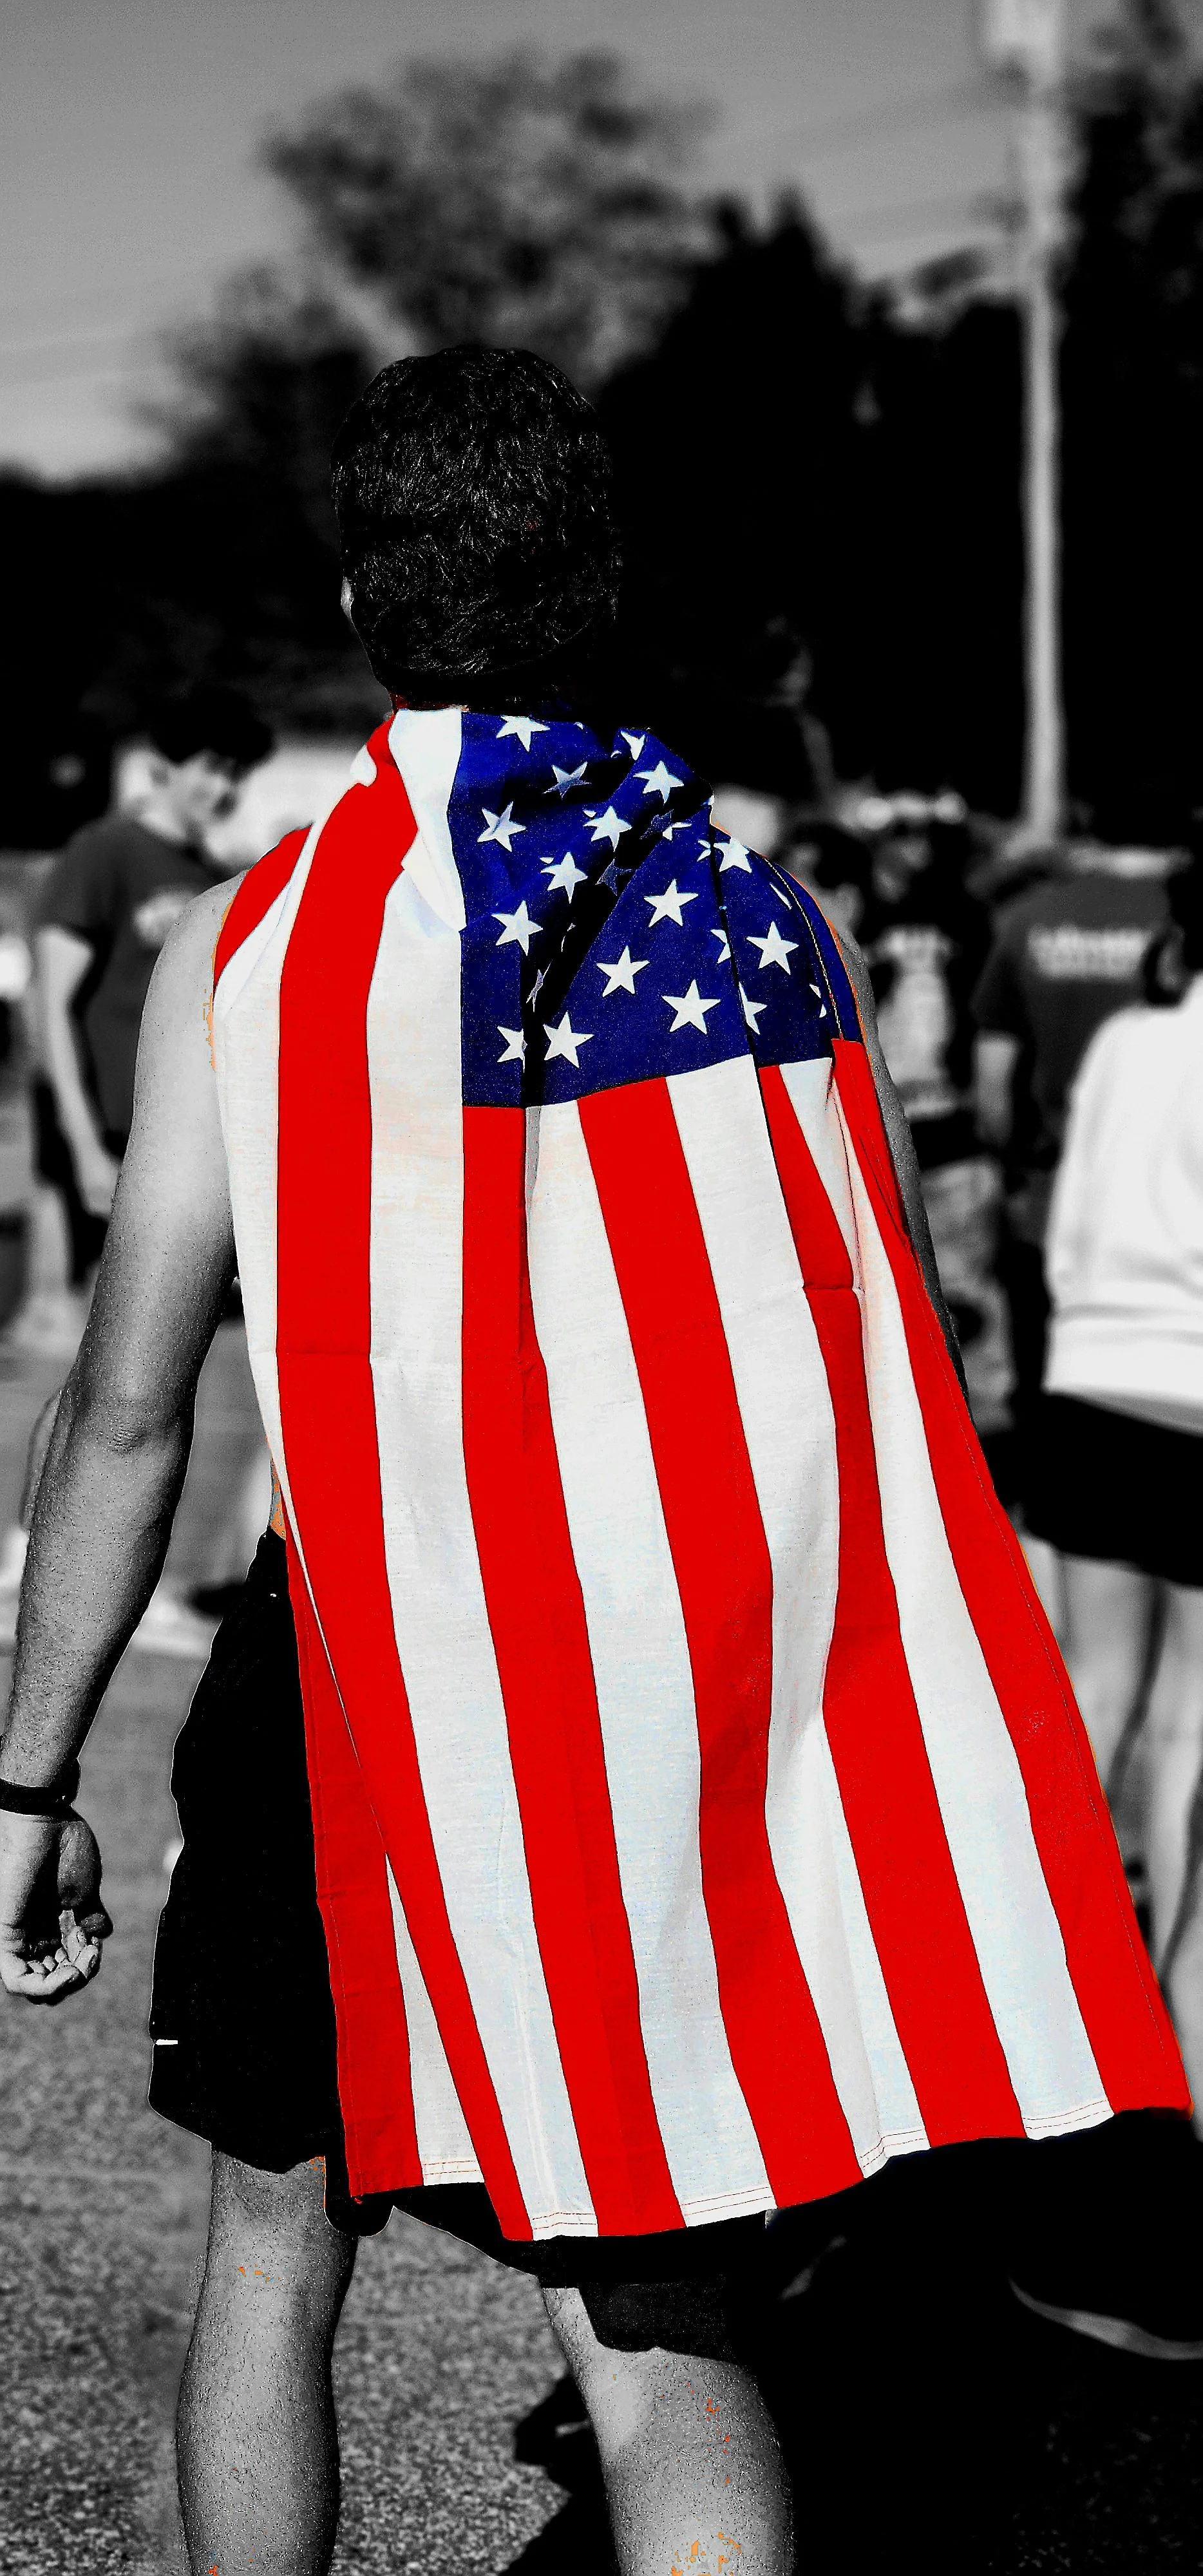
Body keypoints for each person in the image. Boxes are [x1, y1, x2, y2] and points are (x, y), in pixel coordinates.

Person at [0, 348, 1189, 2576]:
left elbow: (134, 1399)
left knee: (273, 2243)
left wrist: (28, 1775)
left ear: (364, 595)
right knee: (655, 2325)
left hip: (349, 1677)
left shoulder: (257, 952)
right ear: (602, 588)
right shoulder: (775, 924)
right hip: (676, 1693)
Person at [0, 685, 274, 1655]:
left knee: (148, 1369)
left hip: (175, 1149)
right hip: (109, 1145)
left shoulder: (208, 872)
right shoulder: (105, 852)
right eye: (211, 767)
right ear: (167, 762)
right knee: (105, 1370)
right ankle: (36, 1558)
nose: (224, 787)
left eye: (238, 773)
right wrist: (76, 1145)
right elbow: (52, 1011)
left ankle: (57, 1558)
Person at [1026, 858, 1203, 2090]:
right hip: (1194, 1394)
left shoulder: (1129, 1046)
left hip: (1088, 1379)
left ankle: (1035, 2005)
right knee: (1192, 1734)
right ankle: (1187, 2061)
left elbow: (1069, 1219)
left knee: (1090, 1703)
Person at [972, 817, 1177, 1536]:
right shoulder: (1183, 918)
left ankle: (1042, 1553)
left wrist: (1015, 1168)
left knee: (1051, 1400)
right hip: (1176, 1221)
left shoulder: (1031, 920)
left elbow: (993, 1086)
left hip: (1054, 1202)